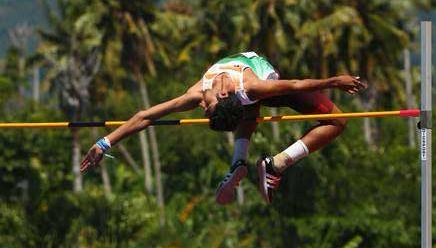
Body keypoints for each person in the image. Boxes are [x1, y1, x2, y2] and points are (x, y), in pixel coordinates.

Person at [80, 51, 366, 205]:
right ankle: (266, 164)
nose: (202, 107)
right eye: (207, 109)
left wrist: (333, 81)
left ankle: (252, 163)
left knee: (337, 120)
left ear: (226, 96)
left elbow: (294, 84)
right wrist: (104, 143)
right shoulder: (212, 94)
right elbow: (144, 116)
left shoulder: (236, 89)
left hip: (267, 88)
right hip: (258, 92)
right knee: (336, 121)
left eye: (206, 109)